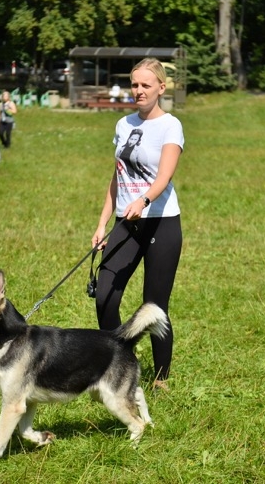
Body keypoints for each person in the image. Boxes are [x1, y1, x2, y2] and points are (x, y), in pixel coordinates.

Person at [91, 58, 184, 390]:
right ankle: (118, 365)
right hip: (124, 222)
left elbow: (165, 175)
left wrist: (143, 201)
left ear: (161, 87)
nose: (139, 91)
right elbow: (116, 178)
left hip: (161, 223)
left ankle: (160, 379)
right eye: (135, 84)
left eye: (146, 85)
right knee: (105, 297)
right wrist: (103, 223)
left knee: (154, 307)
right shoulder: (123, 124)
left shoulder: (170, 125)